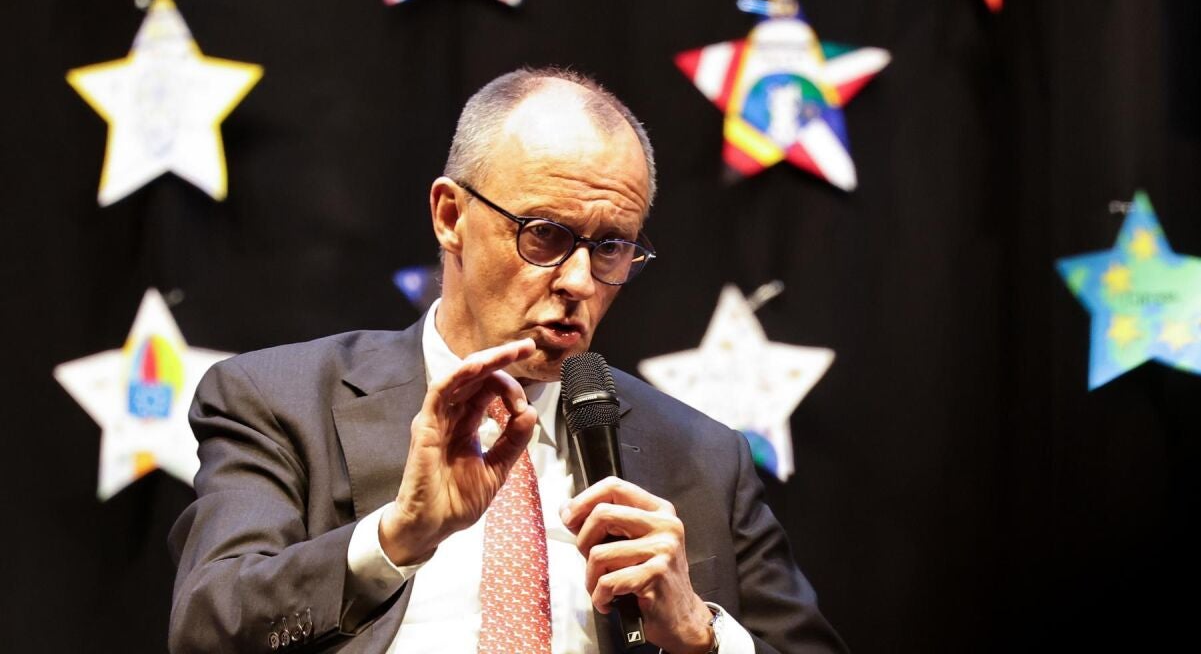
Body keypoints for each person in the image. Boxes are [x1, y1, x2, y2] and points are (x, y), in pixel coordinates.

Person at [169, 68, 847, 654]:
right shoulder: (280, 399)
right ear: (450, 216)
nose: (579, 282)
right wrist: (396, 538)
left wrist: (701, 635)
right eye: (545, 234)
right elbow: (207, 628)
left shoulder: (705, 458)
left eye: (611, 247)